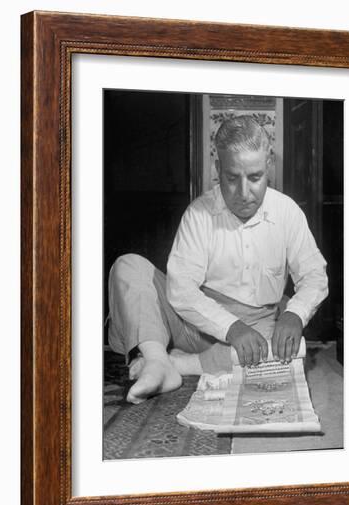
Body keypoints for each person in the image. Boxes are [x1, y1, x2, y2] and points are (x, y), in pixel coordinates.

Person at [107, 115, 328, 404]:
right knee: (128, 265)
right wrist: (232, 328)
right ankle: (157, 359)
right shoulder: (199, 213)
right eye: (232, 178)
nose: (244, 193)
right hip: (192, 323)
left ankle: (177, 365)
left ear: (269, 166)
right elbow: (181, 291)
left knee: (287, 348)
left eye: (255, 178)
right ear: (218, 168)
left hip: (257, 328)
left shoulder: (288, 213)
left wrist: (294, 314)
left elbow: (314, 276)